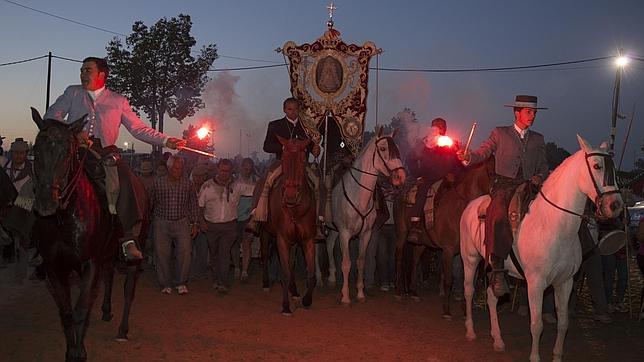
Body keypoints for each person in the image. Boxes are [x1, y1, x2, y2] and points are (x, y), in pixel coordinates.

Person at [43, 56, 186, 261]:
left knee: (127, 179)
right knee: (46, 173)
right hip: (75, 149)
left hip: (105, 152)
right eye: (82, 70)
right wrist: (73, 133)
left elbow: (137, 128)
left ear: (102, 74)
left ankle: (128, 239)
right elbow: (51, 116)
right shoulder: (72, 92)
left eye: (87, 70)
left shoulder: (119, 100)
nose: (82, 74)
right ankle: (32, 233)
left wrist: (165, 140)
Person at [457, 95, 549, 297]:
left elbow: (543, 165)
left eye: (534, 112)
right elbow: (483, 152)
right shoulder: (499, 133)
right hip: (504, 187)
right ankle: (497, 271)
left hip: (528, 188)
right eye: (528, 112)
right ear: (517, 113)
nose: (532, 116)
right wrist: (469, 157)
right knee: (497, 215)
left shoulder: (538, 138)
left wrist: (540, 176)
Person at [246, 98, 321, 232]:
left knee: (318, 183)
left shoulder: (307, 126)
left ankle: (320, 219)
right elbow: (266, 147)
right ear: (284, 109)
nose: (293, 112)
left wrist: (316, 149)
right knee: (264, 181)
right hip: (281, 162)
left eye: (296, 109)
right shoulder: (275, 125)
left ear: (300, 110)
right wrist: (284, 148)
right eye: (289, 109)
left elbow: (312, 146)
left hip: (301, 164)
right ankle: (255, 215)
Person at [198, 159, 254, 293]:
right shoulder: (207, 186)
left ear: (231, 171)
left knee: (224, 253)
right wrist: (201, 222)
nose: (224, 173)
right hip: (211, 226)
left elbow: (256, 190)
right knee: (214, 254)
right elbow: (200, 206)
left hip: (229, 226)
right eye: (222, 170)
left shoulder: (237, 186)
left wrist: (254, 211)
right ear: (218, 169)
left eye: (227, 171)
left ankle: (222, 282)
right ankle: (216, 279)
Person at [406, 118, 462, 243]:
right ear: (431, 128)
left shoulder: (451, 144)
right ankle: (415, 226)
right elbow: (410, 160)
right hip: (428, 178)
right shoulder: (424, 143)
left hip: (447, 179)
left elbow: (459, 164)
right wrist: (418, 176)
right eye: (437, 126)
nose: (440, 129)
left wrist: (453, 173)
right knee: (422, 193)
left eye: (442, 126)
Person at [148, 155, 199, 295]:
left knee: (184, 253)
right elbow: (150, 203)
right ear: (169, 168)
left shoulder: (188, 184)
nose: (179, 171)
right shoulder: (158, 183)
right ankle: (165, 284)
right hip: (162, 222)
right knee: (162, 253)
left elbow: (193, 204)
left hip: (182, 221)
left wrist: (194, 223)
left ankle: (181, 282)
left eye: (181, 168)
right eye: (176, 168)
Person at [232, 158, 258, 282]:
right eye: (245, 168)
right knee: (235, 244)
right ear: (241, 167)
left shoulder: (256, 181)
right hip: (234, 217)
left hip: (248, 218)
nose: (247, 171)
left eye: (249, 169)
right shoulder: (233, 180)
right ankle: (237, 267)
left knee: (247, 244)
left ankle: (244, 271)